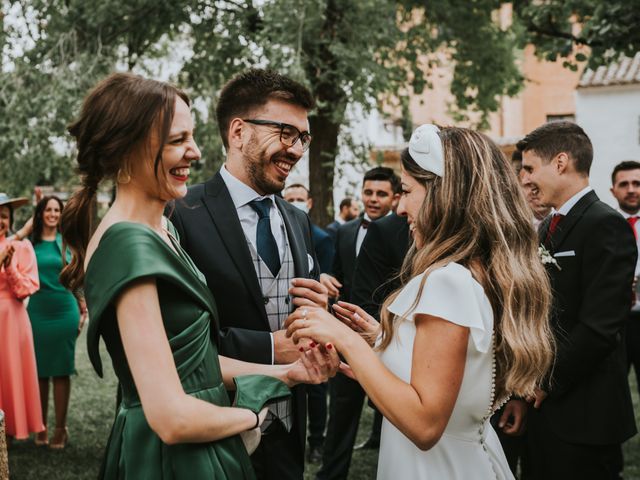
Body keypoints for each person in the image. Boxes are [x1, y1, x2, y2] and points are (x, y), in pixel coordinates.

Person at [59, 72, 337, 480]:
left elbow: (196, 363)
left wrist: (288, 374)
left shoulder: (161, 229)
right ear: (129, 146)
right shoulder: (128, 245)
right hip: (175, 457)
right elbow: (171, 418)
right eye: (177, 140)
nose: (195, 151)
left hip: (219, 444)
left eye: (190, 137)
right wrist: (251, 418)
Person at [286, 124, 556, 480]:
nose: (399, 208)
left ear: (442, 195)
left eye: (406, 191)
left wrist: (346, 339)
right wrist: (384, 342)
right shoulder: (478, 272)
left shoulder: (447, 282)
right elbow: (455, 374)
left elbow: (425, 424)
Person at [169, 68, 330, 479]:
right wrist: (272, 349)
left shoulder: (297, 220)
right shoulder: (181, 214)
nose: (296, 150)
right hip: (213, 432)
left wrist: (320, 321)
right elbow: (176, 346)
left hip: (287, 431)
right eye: (285, 132)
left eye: (303, 138)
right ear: (238, 132)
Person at [518, 121, 637, 480]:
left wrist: (543, 382)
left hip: (585, 411)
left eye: (529, 168)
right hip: (545, 407)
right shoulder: (549, 226)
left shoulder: (605, 224)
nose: (524, 179)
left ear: (560, 162)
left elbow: (599, 327)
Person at [316, 166, 400, 480]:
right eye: (368, 192)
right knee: (342, 411)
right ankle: (331, 473)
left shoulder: (406, 231)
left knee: (394, 411)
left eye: (381, 194)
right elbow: (335, 273)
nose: (373, 199)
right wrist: (325, 278)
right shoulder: (344, 231)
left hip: (389, 333)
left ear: (394, 198)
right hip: (348, 335)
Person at [27, 196, 86, 449]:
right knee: (39, 371)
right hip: (37, 312)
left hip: (64, 311)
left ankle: (60, 430)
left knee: (61, 370)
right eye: (48, 209)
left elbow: (77, 279)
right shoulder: (30, 245)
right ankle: (40, 426)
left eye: (57, 210)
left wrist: (82, 307)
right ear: (40, 214)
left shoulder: (68, 244)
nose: (52, 213)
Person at [0, 193, 44, 443]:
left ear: (10, 219)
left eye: (4, 217)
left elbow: (28, 288)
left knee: (11, 371)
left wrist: (11, 270)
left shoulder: (22, 247)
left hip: (13, 319)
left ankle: (12, 427)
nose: (0, 221)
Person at [610, 160, 640, 400]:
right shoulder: (604, 225)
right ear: (613, 190)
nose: (631, 189)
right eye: (624, 184)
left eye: (637, 183)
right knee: (614, 391)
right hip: (615, 323)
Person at [283, 184, 334, 274]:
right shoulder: (277, 233)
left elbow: (324, 276)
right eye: (290, 200)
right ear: (283, 202)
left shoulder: (322, 239)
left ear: (309, 203)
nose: (295, 204)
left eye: (300, 200)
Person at [511, 149, 551, 229]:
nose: (535, 191)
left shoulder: (567, 219)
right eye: (529, 185)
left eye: (540, 184)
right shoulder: (511, 225)